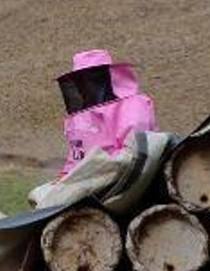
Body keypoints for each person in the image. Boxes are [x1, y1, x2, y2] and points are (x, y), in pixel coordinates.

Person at [56, 49, 157, 177]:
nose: (84, 87)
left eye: (91, 79)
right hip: (88, 177)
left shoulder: (134, 106)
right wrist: (64, 176)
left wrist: (94, 170)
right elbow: (76, 154)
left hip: (125, 176)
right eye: (80, 81)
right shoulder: (79, 118)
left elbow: (135, 153)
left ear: (107, 77)